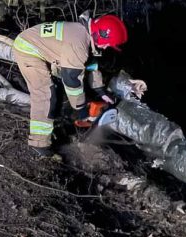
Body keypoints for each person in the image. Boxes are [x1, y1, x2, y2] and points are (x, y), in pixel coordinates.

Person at [13, 13, 128, 157]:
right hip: (28, 50)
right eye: (107, 44)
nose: (106, 48)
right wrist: (81, 109)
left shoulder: (85, 35)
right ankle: (39, 145)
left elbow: (91, 66)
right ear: (101, 35)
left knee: (56, 91)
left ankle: (55, 124)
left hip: (41, 48)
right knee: (46, 95)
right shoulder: (78, 42)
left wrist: (101, 91)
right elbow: (71, 80)